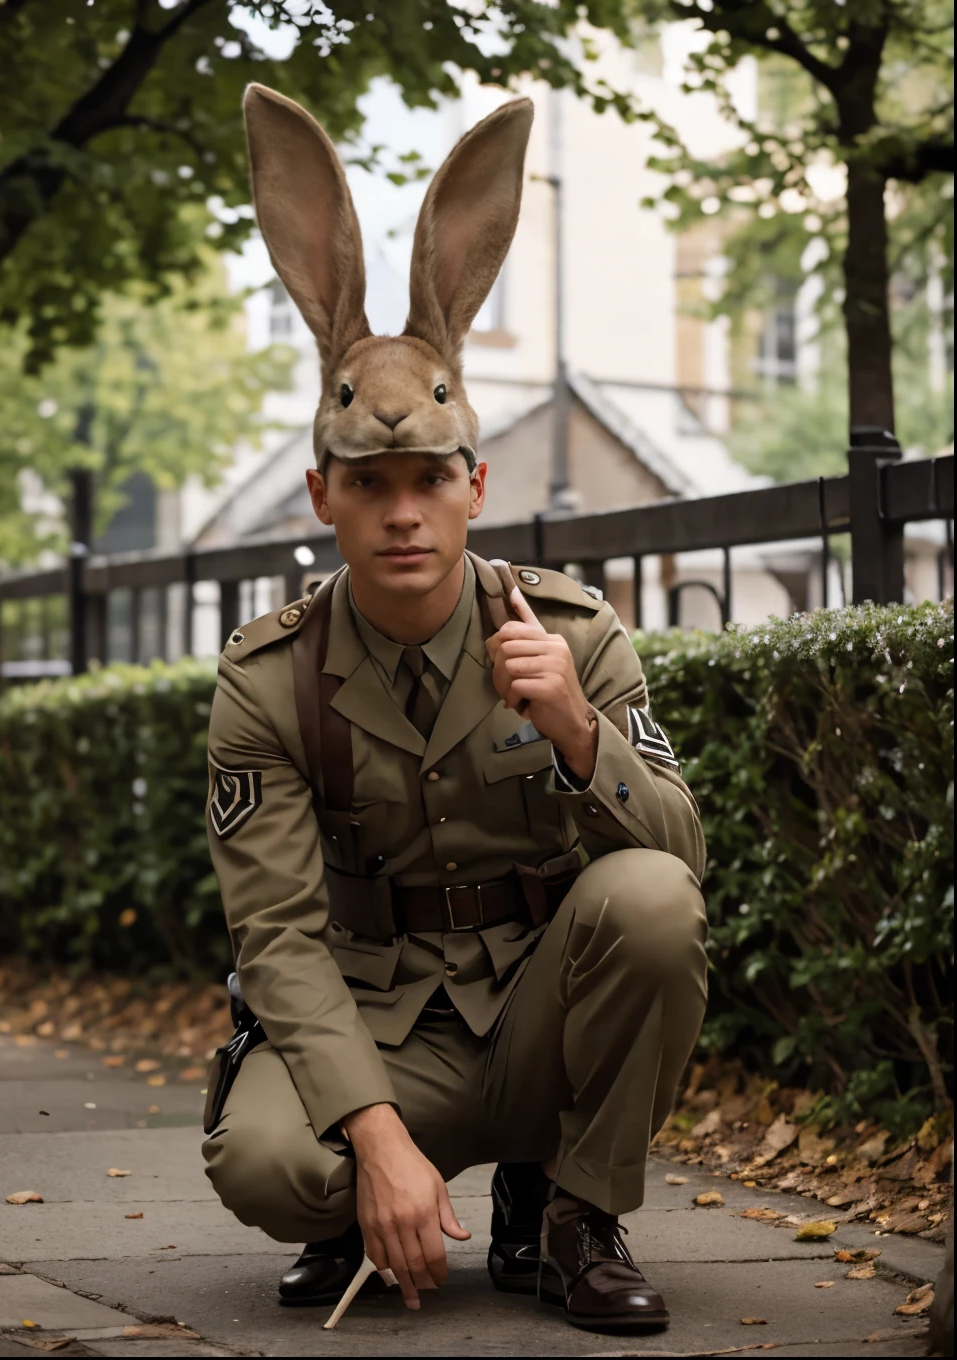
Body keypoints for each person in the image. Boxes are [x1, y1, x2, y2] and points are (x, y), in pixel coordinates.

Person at [200, 83, 707, 1333]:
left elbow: (683, 857)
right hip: (381, 1033)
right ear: (321, 496)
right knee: (264, 1160)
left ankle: (573, 1210)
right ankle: (359, 1208)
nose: (402, 512)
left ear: (475, 487)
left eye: (428, 478)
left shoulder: (572, 634)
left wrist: (579, 733)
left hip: (538, 1022)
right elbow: (277, 941)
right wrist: (374, 1140)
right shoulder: (269, 679)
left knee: (650, 900)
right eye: (368, 482)